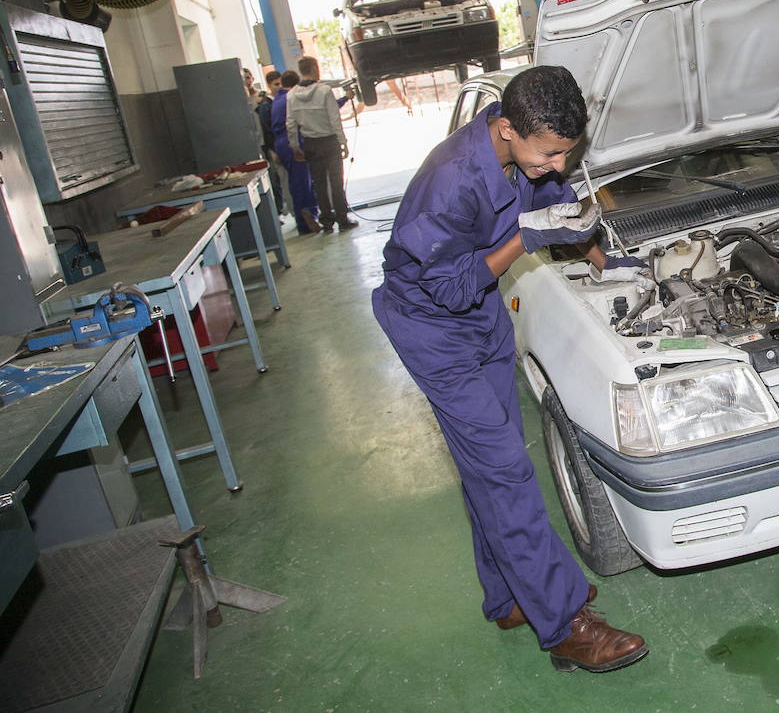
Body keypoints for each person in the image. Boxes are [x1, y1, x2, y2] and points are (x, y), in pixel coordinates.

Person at [372, 65, 650, 673]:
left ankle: (507, 597)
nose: (556, 164)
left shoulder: (523, 158)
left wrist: (609, 262)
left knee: (488, 467)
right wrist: (526, 239)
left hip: (482, 317)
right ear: (505, 129)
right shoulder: (452, 181)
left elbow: (561, 206)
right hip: (433, 328)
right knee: (506, 471)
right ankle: (565, 620)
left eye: (566, 153)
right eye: (548, 153)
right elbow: (450, 287)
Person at [286, 56, 355, 231]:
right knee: (336, 183)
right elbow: (335, 119)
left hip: (310, 144)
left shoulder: (291, 95)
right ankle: (342, 219)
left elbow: (290, 124)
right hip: (330, 142)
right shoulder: (324, 91)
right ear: (315, 68)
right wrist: (343, 142)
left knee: (319, 185)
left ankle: (326, 221)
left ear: (301, 71)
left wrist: (295, 146)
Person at [271, 70, 320, 235]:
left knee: (296, 183)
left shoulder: (277, 99)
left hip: (280, 143)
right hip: (292, 142)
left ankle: (306, 218)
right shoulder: (290, 98)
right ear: (295, 84)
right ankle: (306, 220)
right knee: (303, 184)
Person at [255, 70, 286, 216]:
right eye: (276, 84)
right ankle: (281, 210)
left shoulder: (277, 102)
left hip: (282, 145)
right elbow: (267, 130)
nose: (279, 87)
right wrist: (271, 151)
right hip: (274, 147)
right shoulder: (266, 106)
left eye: (281, 83)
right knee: (279, 181)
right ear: (269, 85)